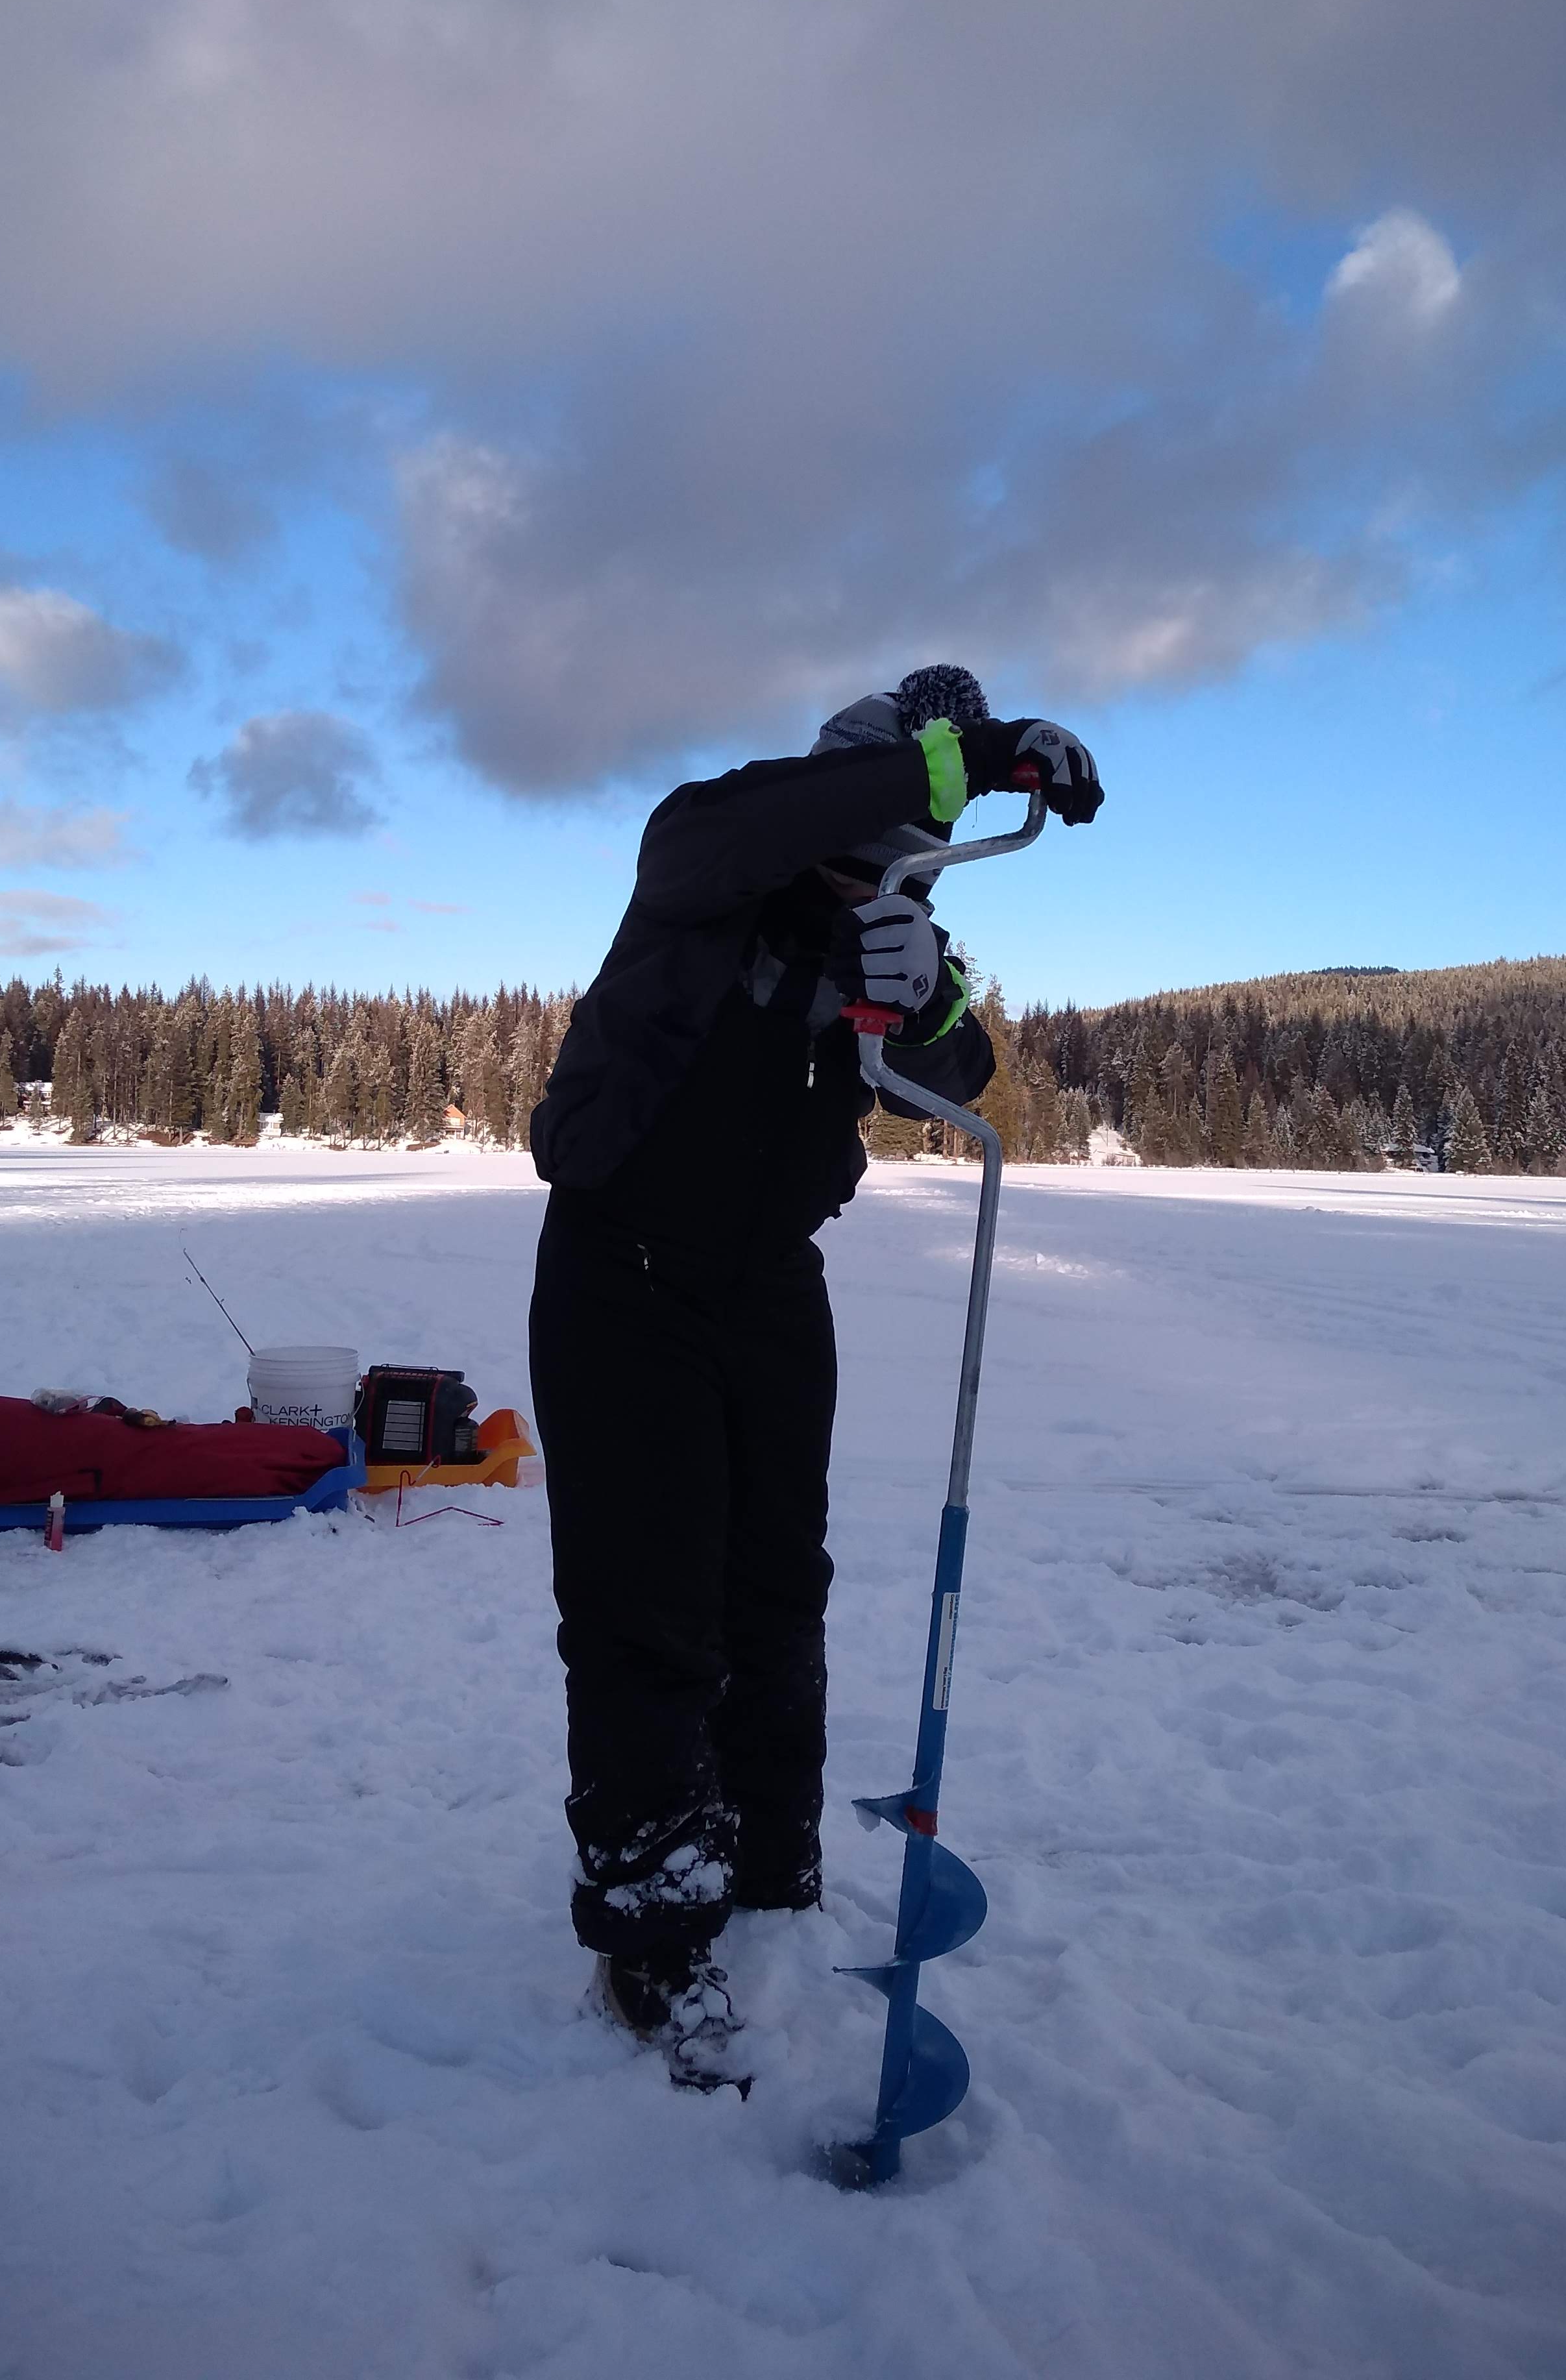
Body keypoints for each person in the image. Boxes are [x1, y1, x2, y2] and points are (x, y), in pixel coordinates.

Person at [528, 665, 1102, 2089]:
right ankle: (653, 1932)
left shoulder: (894, 931)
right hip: (623, 1274)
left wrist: (925, 1004)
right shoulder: (712, 854)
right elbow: (754, 827)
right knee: (648, 1609)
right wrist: (971, 755)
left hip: (772, 1282)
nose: (891, 880)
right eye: (886, 843)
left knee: (779, 1590)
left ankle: (772, 1868)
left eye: (920, 864)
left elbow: (960, 1071)